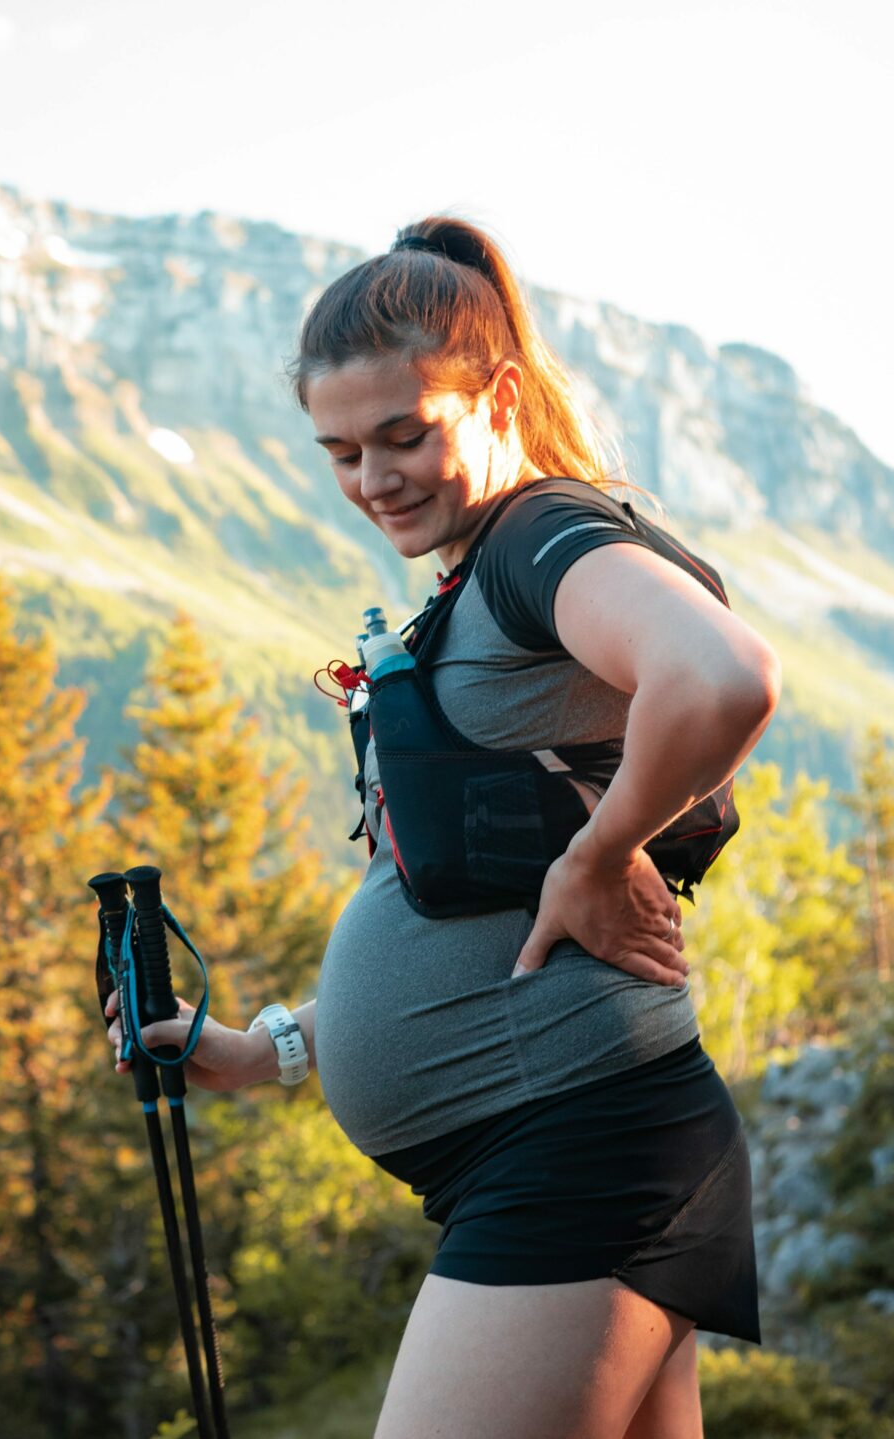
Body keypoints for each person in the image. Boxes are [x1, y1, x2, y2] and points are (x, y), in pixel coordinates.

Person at [107, 215, 779, 1438]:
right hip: (570, 1142)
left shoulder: (540, 537)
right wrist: (271, 1050)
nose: (374, 479)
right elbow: (470, 904)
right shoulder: (474, 579)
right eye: (341, 451)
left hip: (572, 1150)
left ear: (499, 395)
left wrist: (599, 852)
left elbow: (723, 675)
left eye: (405, 434)